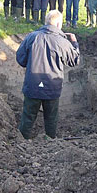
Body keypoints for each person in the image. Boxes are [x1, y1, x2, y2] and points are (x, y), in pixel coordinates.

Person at [16, 10, 80, 139]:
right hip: (52, 87)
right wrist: (74, 43)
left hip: (33, 85)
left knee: (28, 117)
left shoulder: (31, 37)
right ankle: (50, 142)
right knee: (51, 119)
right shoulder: (62, 41)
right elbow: (74, 61)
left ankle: (22, 142)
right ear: (57, 24)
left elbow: (21, 59)